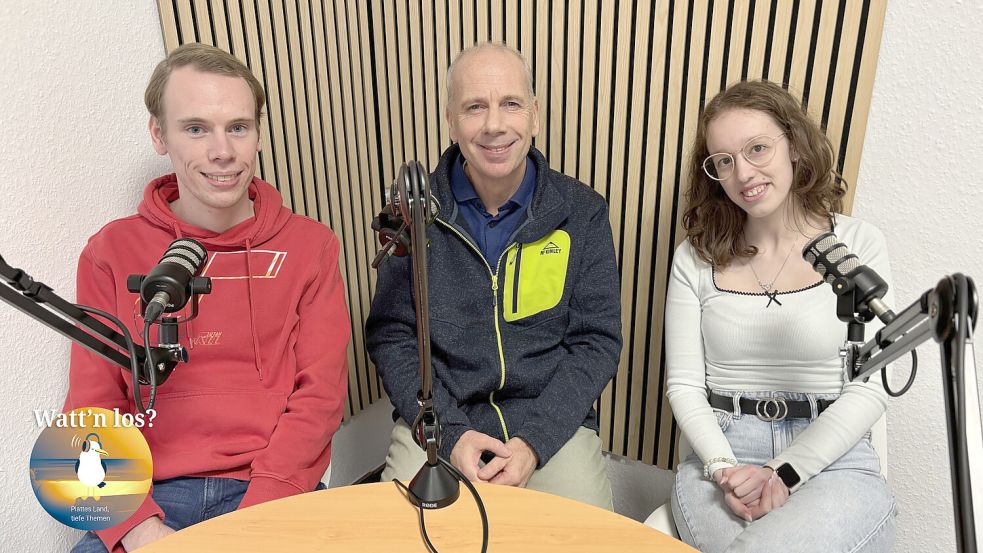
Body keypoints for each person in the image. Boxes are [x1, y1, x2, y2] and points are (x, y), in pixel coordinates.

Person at [67, 43, 351, 552]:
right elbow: (92, 410)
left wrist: (254, 524)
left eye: (238, 127)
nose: (223, 152)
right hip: (150, 497)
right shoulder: (111, 252)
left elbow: (320, 398)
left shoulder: (311, 248)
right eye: (196, 129)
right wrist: (141, 531)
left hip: (273, 490)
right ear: (160, 134)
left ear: (258, 134)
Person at [365, 42, 621, 509]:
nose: (494, 125)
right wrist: (454, 434)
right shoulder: (414, 215)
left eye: (511, 104)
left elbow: (596, 342)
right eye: (474, 107)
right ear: (451, 120)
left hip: (550, 424)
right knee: (398, 534)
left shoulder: (581, 212)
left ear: (535, 115)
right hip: (440, 420)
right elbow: (393, 337)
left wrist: (533, 442)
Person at [664, 80, 897, 552]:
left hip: (833, 456)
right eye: (724, 161)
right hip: (723, 454)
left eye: (757, 149)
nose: (743, 173)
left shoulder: (857, 245)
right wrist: (723, 468)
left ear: (793, 145)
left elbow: (871, 386)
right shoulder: (697, 257)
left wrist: (783, 472)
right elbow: (685, 385)